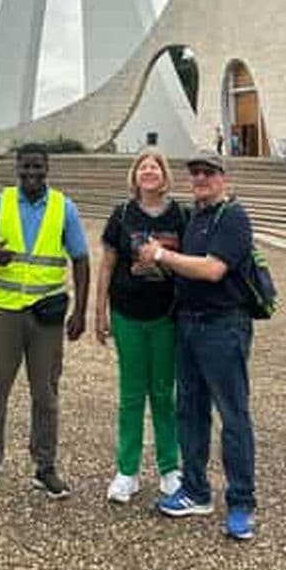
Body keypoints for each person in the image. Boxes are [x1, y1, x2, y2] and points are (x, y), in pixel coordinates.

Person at [136, 149, 258, 541]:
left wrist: (161, 254)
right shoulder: (197, 217)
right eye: (196, 173)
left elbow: (212, 269)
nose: (201, 179)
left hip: (224, 327)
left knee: (233, 415)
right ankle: (196, 490)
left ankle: (241, 502)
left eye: (208, 172)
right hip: (188, 325)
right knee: (189, 410)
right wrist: (150, 264)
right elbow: (183, 268)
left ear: (224, 178)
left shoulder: (233, 217)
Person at [0, 143, 90, 500]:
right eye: (25, 168)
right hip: (4, 310)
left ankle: (45, 467)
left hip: (46, 315)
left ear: (47, 167)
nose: (31, 174)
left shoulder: (63, 207)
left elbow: (81, 259)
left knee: (46, 394)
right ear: (17, 169)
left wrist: (80, 310)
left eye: (37, 167)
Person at [95, 147, 185, 504]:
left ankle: (169, 468)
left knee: (164, 392)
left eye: (155, 167)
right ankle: (127, 471)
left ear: (164, 176)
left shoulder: (181, 215)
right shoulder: (121, 214)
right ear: (135, 176)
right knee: (131, 394)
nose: (149, 172)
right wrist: (99, 311)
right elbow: (106, 264)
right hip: (127, 314)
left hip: (166, 316)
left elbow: (189, 261)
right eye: (143, 167)